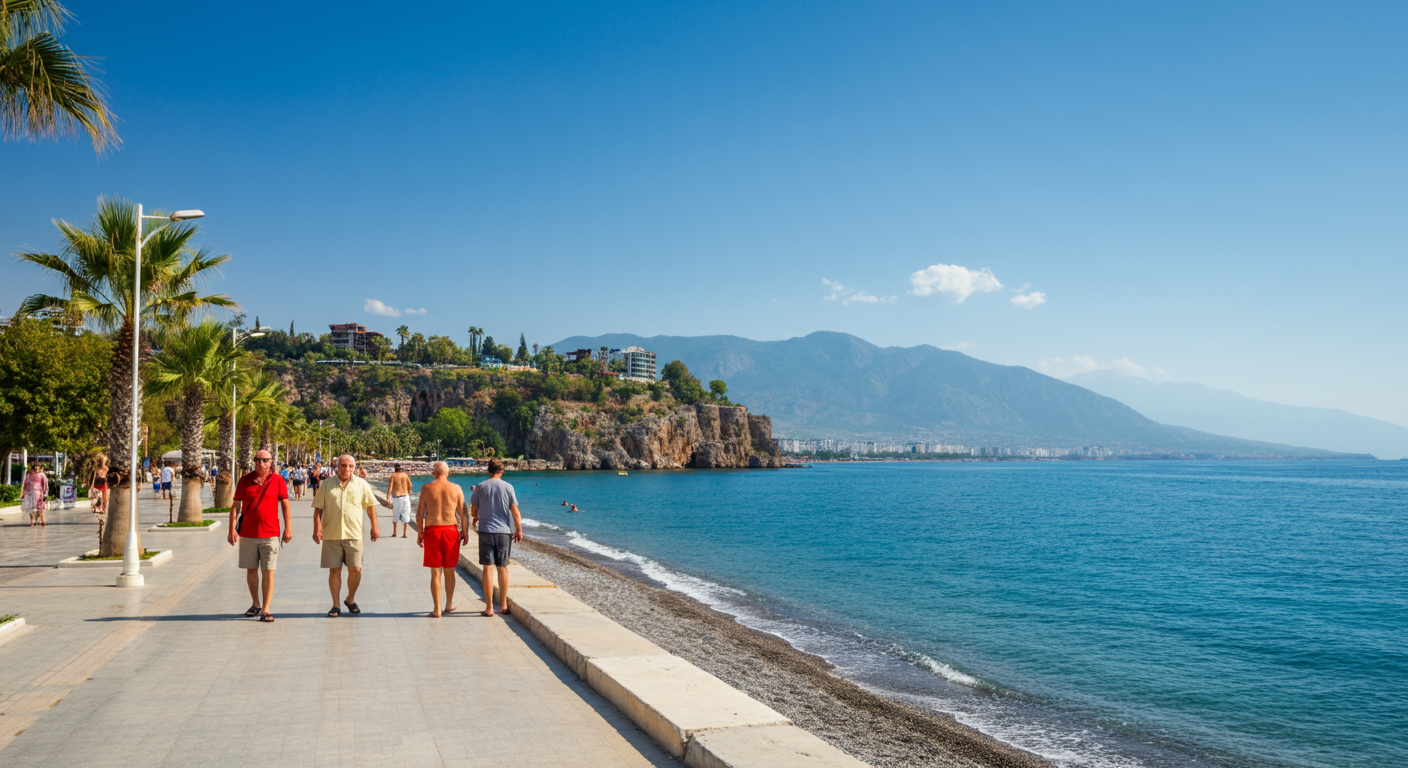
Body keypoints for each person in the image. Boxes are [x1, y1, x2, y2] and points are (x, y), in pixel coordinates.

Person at [312, 454, 380, 617]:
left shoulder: (362, 484)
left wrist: (374, 527)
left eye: (350, 466)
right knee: (334, 570)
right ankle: (335, 605)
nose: (346, 469)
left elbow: (370, 507)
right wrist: (317, 529)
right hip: (331, 534)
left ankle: (350, 599)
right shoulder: (327, 484)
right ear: (337, 466)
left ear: (354, 468)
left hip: (354, 534)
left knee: (356, 569)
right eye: (343, 465)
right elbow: (318, 509)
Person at [228, 449, 292, 623]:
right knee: (251, 570)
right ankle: (255, 603)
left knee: (268, 570)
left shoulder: (278, 480)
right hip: (248, 534)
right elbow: (235, 506)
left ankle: (266, 609)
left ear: (271, 462)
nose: (261, 463)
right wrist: (232, 529)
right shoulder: (245, 480)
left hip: (270, 534)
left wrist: (288, 529)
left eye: (265, 460)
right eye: (257, 460)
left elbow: (285, 505)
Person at [469, 459, 523, 617]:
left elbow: (473, 510)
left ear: (488, 471)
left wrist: (476, 516)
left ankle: (489, 607)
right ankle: (504, 604)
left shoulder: (480, 487)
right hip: (503, 533)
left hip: (485, 531)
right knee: (502, 567)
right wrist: (518, 529)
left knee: (487, 567)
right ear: (502, 471)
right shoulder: (508, 487)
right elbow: (515, 511)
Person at [416, 461, 469, 617]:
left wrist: (420, 532)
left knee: (435, 572)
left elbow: (419, 515)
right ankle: (449, 604)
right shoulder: (457, 488)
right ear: (448, 473)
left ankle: (437, 609)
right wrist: (465, 531)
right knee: (450, 570)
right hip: (451, 531)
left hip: (433, 531)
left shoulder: (426, 488)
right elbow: (463, 513)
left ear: (434, 473)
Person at [387, 464, 413, 538]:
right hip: (406, 497)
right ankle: (404, 533)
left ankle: (394, 533)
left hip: (397, 498)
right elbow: (410, 485)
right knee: (406, 515)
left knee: (395, 515)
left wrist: (387, 498)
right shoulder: (405, 475)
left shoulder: (393, 476)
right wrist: (408, 492)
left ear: (394, 468)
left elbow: (390, 487)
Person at [22, 461, 48, 527]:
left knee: (37, 507)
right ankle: (33, 520)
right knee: (34, 507)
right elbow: (26, 484)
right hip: (32, 492)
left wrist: (45, 492)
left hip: (38, 493)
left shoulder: (40, 475)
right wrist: (24, 492)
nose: (36, 468)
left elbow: (45, 484)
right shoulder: (30, 474)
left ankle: (37, 520)